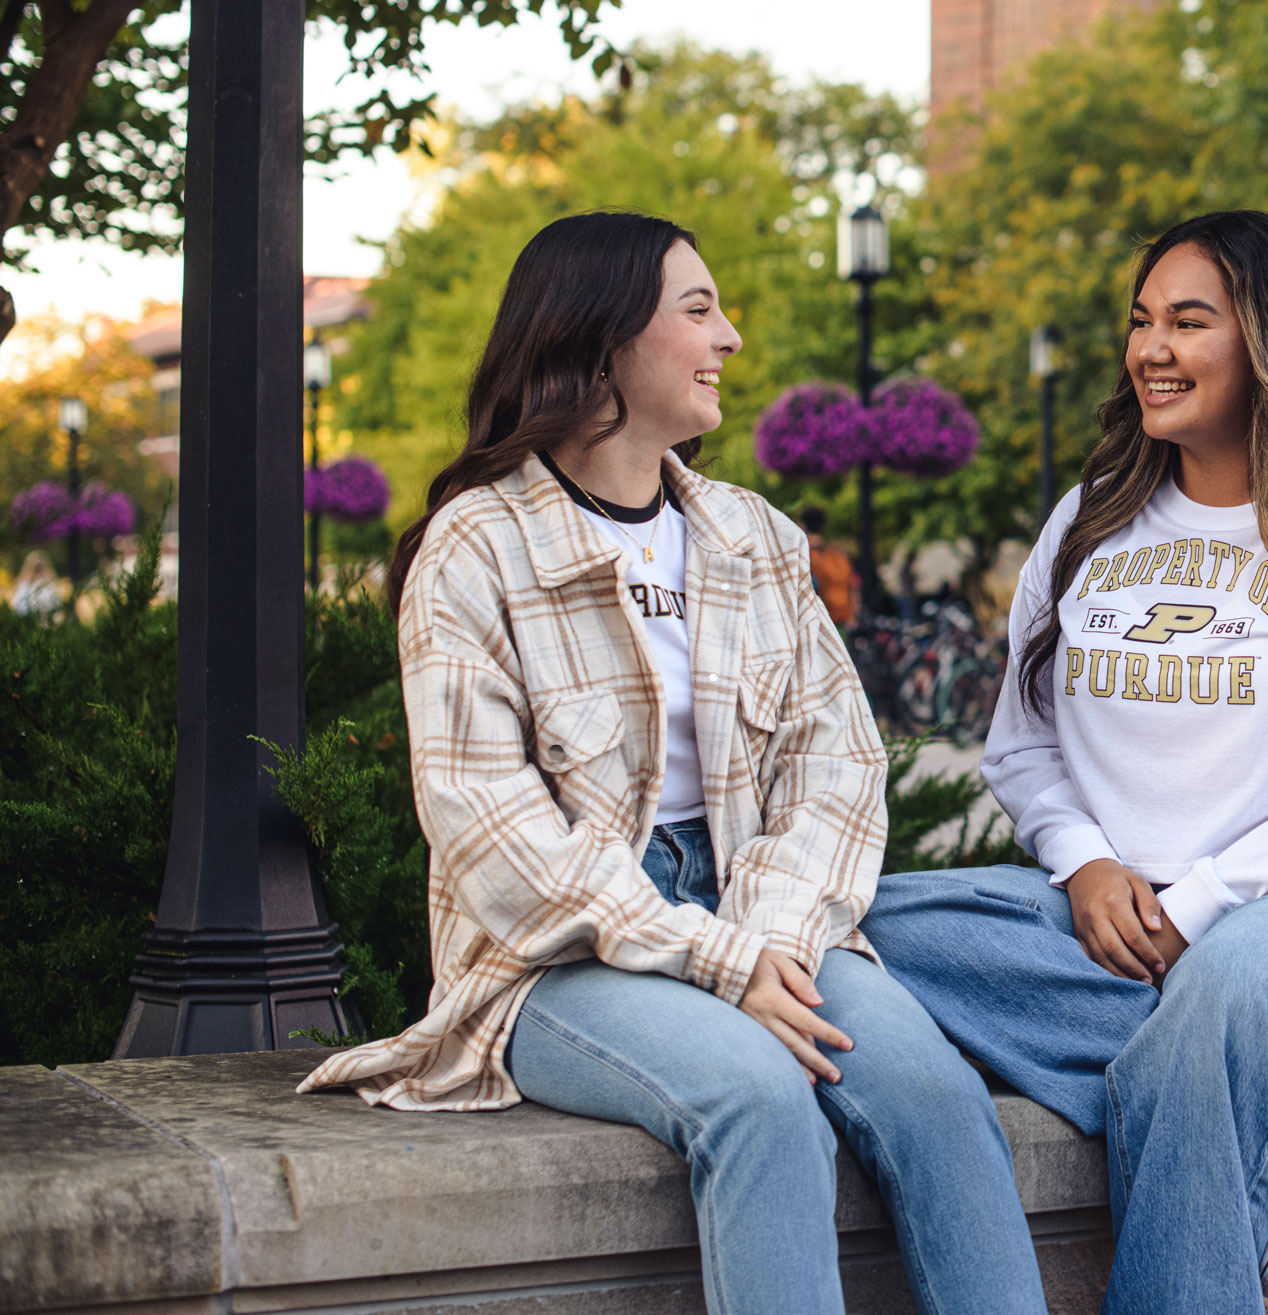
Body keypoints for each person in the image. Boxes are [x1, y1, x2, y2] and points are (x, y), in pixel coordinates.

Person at [298, 212, 1047, 1315]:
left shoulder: (754, 536)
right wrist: (709, 959)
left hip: (760, 911)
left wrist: (770, 941)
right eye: (699, 309)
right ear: (601, 338)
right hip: (552, 957)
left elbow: (835, 763)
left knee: (934, 1089)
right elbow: (489, 830)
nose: (731, 336)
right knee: (756, 1095)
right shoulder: (480, 544)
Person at [859, 211, 1268, 1314]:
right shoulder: (1091, 523)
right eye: (1141, 321)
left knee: (1225, 998)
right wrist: (1086, 861)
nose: (1151, 347)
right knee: (868, 928)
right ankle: (1267, 1104)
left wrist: (1208, 902)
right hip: (1118, 915)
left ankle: (1236, 1068)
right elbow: (1020, 741)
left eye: (1189, 321)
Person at [798, 503, 856, 626]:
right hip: (841, 618)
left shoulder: (802, 555)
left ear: (802, 525)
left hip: (814, 620)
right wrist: (852, 615)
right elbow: (853, 586)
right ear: (823, 526)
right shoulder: (839, 557)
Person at [9, 550, 60, 617]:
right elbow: (18, 604)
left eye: (40, 567)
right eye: (36, 568)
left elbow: (54, 604)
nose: (38, 571)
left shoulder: (49, 583)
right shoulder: (23, 584)